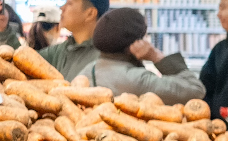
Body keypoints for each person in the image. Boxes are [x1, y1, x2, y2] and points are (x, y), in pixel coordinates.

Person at [78, 7, 206, 103]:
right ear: (136, 42)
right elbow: (196, 90)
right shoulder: (138, 79)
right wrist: (156, 56)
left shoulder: (88, 71)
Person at [41, 0, 108, 79]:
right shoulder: (59, 51)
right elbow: (22, 58)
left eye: (69, 3)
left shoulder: (107, 55)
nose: (62, 8)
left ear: (90, 13)